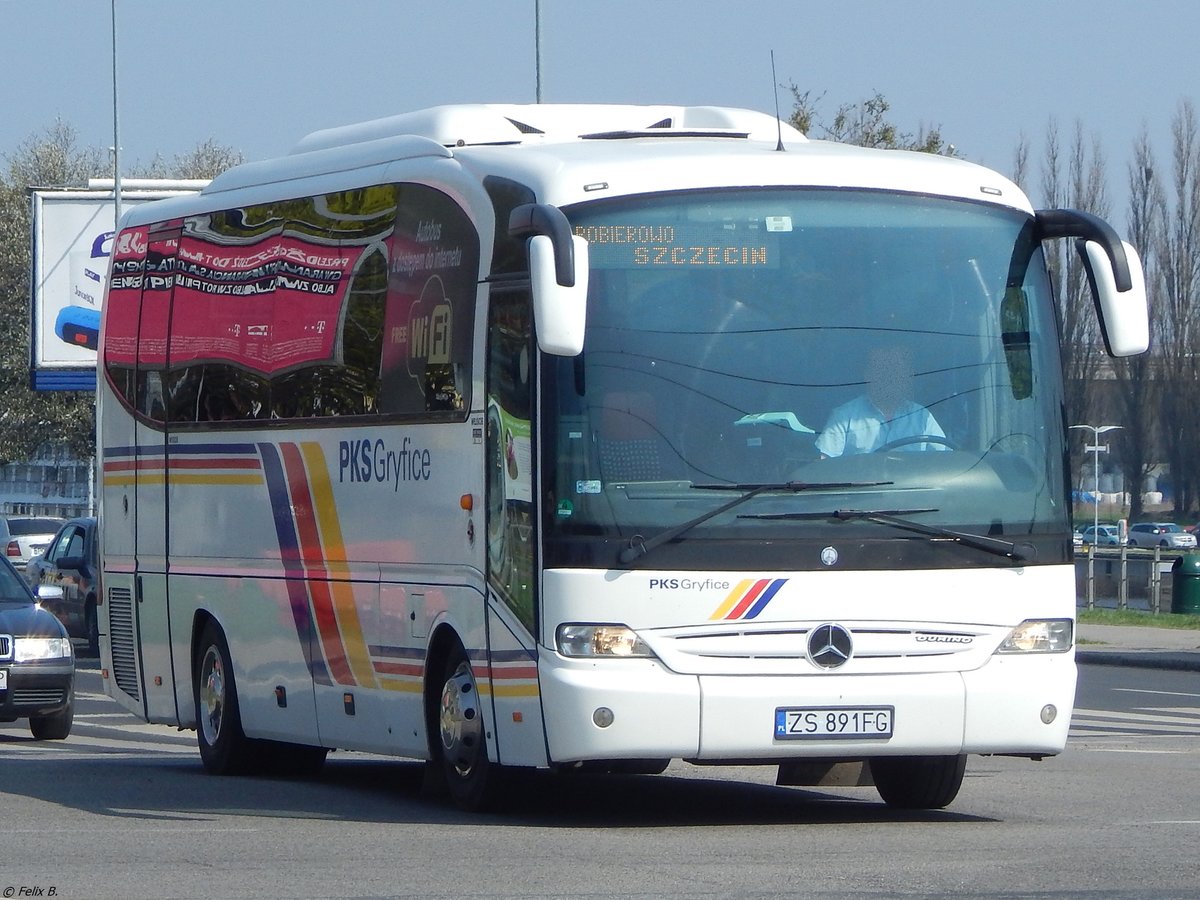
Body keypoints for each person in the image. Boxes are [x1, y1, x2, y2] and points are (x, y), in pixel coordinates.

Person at [815, 345, 946, 457]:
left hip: (915, 487)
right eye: (883, 370)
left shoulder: (923, 418)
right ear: (868, 375)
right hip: (857, 486)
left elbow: (945, 463)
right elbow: (823, 466)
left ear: (907, 377)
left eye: (896, 371)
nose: (890, 377)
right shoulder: (844, 416)